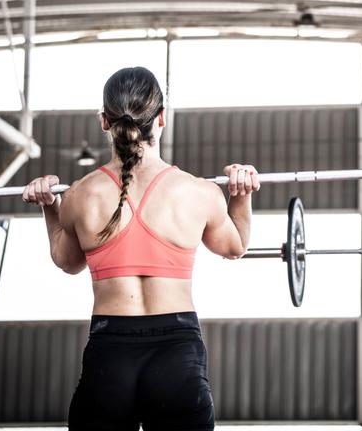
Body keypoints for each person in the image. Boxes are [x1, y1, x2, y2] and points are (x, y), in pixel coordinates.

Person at [22, 66, 260, 430]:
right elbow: (235, 247)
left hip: (109, 353)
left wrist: (49, 206)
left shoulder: (79, 195)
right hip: (177, 354)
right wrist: (240, 196)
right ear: (162, 118)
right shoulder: (198, 192)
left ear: (104, 121)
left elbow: (66, 261)